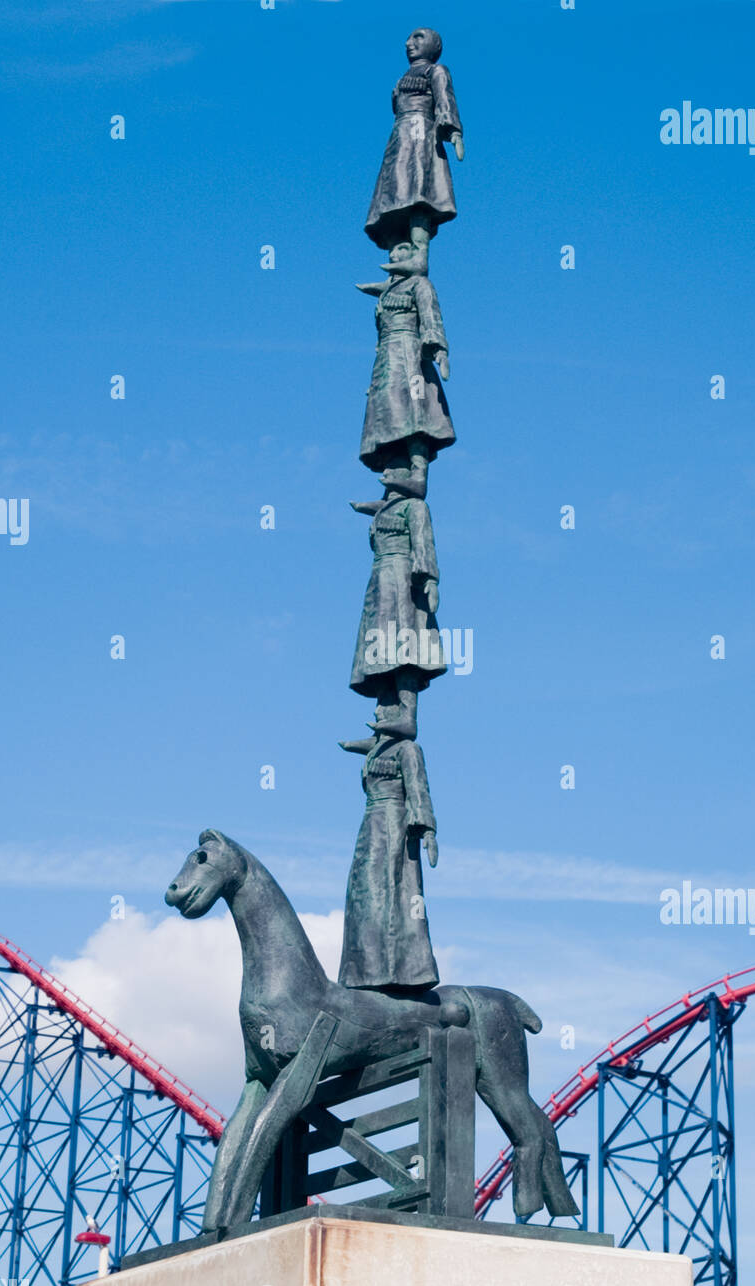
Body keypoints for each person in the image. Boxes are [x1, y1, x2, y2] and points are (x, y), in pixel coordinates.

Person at [349, 466, 446, 740]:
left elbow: (423, 543)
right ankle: (386, 714)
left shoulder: (415, 507)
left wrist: (430, 579)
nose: (387, 470)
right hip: (379, 583)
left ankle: (407, 716)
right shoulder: (386, 510)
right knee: (378, 655)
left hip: (404, 580)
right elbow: (379, 505)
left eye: (395, 467)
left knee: (406, 652)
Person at [338, 729, 439, 991]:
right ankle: (363, 972)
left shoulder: (408, 749)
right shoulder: (378, 749)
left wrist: (428, 829)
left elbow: (418, 788)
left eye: (389, 702)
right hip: (370, 824)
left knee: (390, 894)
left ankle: (398, 971)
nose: (381, 709)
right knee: (362, 894)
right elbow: (369, 743)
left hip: (394, 826)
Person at [365, 27, 464, 275]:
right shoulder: (400, 80)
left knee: (419, 195)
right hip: (399, 138)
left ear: (434, 44)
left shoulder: (436, 71)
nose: (409, 42)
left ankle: (419, 258)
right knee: (394, 197)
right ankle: (397, 263)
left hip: (421, 135)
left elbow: (445, 101)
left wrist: (453, 132)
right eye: (409, 38)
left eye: (418, 37)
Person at [357, 240, 455, 489]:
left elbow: (430, 317)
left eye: (402, 248)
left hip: (411, 356)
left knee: (415, 415)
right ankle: (396, 471)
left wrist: (439, 350)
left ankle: (419, 474)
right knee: (390, 416)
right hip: (386, 359)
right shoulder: (388, 293)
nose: (393, 253)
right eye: (393, 249)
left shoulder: (420, 284)